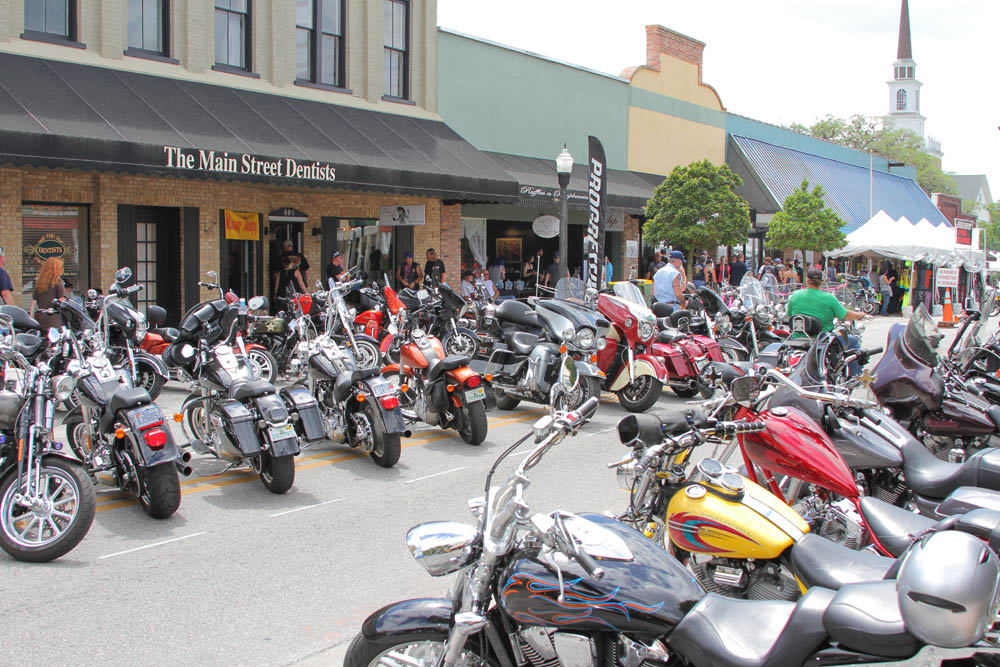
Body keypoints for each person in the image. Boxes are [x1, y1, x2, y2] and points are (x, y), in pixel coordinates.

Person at [787, 267, 869, 376]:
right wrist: (860, 315)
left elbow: (789, 315)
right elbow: (845, 315)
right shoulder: (829, 298)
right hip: (821, 339)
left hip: (797, 337)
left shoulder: (795, 296)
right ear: (821, 281)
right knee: (853, 341)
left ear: (807, 279)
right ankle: (854, 377)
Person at [29, 257, 65, 335]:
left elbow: (33, 303)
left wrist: (31, 319)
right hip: (55, 317)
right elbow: (61, 301)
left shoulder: (39, 283)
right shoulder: (58, 282)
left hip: (42, 317)